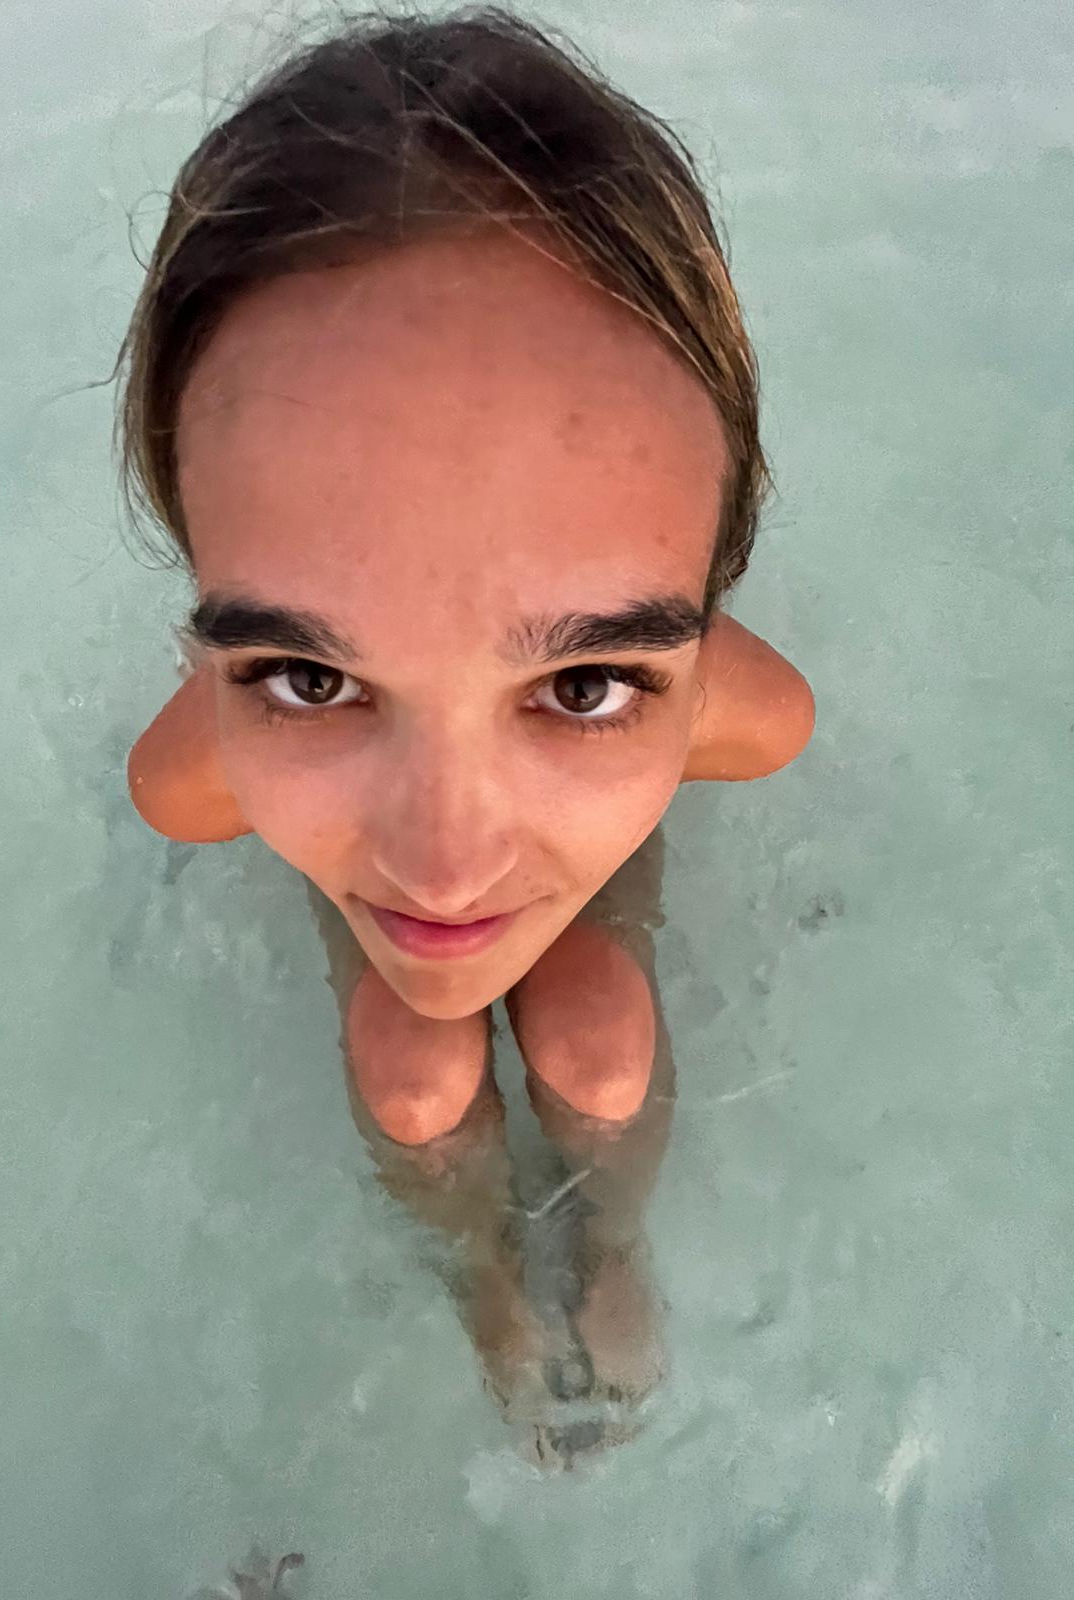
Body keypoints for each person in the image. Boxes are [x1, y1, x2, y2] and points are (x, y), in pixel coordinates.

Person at [117, 7, 814, 1458]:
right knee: (417, 1076)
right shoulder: (190, 781)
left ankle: (608, 1245)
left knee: (597, 1048)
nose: (447, 865)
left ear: (701, 619)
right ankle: (489, 1281)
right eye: (307, 676)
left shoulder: (748, 712)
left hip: (583, 867)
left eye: (587, 683)